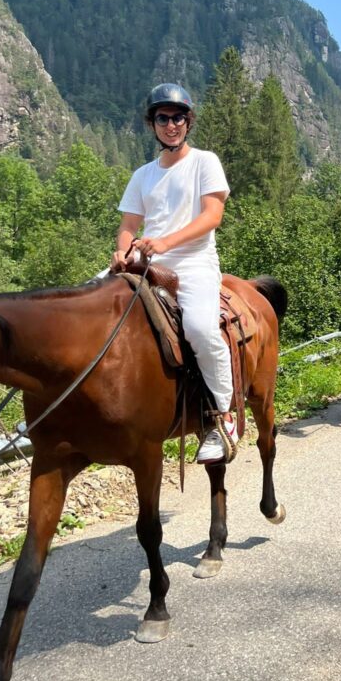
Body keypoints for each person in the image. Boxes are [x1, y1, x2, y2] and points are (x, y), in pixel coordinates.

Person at [111, 83, 236, 464]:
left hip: (194, 262)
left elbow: (213, 215)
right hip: (146, 261)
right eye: (163, 118)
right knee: (87, 302)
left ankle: (223, 416)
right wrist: (121, 249)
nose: (171, 124)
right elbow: (130, 224)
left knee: (199, 327)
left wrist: (165, 242)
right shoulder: (142, 175)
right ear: (153, 124)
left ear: (188, 121)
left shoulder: (204, 162)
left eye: (178, 117)